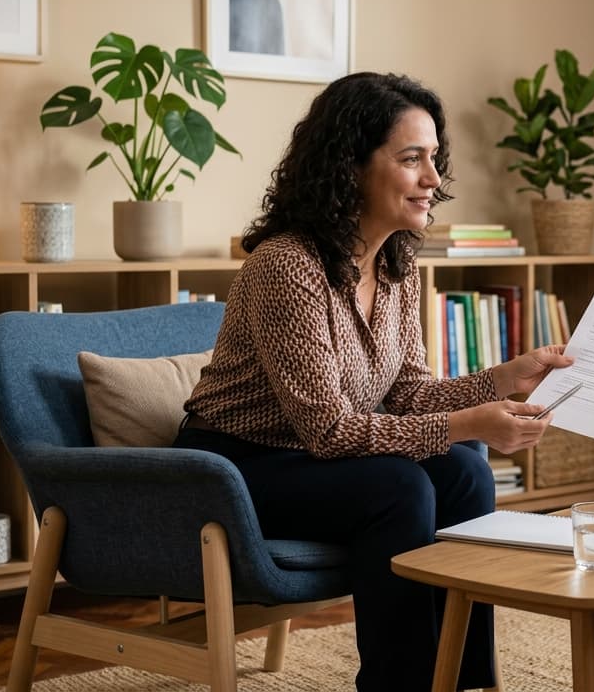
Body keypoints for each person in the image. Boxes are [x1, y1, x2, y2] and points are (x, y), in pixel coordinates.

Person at [176, 72, 571, 692]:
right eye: (411, 158)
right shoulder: (287, 264)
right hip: (235, 470)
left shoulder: (395, 264)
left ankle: (464, 681)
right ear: (350, 167)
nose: (433, 180)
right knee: (400, 487)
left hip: (314, 458)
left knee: (465, 469)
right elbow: (330, 431)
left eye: (433, 159)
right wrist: (469, 423)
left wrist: (505, 378)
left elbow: (410, 392)